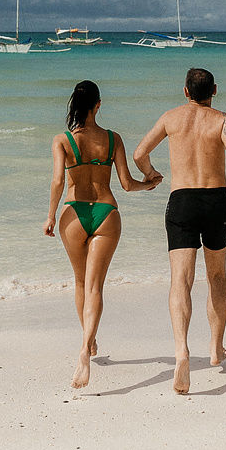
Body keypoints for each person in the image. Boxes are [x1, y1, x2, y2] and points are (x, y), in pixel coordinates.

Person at [132, 67, 226, 394]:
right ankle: (216, 347)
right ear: (214, 90)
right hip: (216, 200)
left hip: (181, 200)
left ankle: (181, 352)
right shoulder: (223, 120)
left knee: (181, 280)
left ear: (185, 92)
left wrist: (151, 175)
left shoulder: (171, 117)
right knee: (216, 276)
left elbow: (139, 154)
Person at [44, 80, 159, 389]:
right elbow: (127, 184)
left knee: (81, 282)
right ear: (98, 105)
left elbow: (58, 181)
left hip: (74, 214)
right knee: (95, 286)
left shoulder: (62, 140)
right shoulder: (112, 139)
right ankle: (86, 346)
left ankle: (89, 341)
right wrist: (149, 184)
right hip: (107, 213)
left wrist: (51, 216)